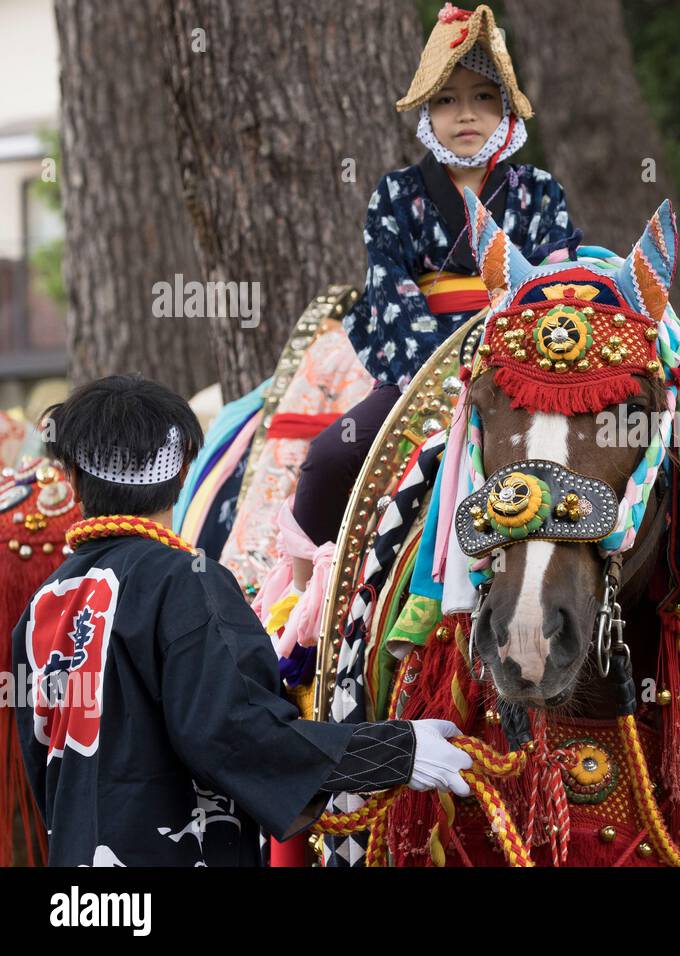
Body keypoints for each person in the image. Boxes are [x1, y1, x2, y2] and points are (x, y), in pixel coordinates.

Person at [13, 376, 474, 866]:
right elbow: (236, 733)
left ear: (72, 479)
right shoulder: (185, 581)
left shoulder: (42, 605)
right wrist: (396, 751)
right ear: (184, 470)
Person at [290, 3, 579, 559]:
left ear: (505, 110)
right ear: (427, 112)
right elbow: (390, 290)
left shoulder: (541, 191)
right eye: (446, 100)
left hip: (522, 364)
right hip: (421, 367)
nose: (464, 114)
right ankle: (311, 602)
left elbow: (555, 286)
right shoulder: (396, 194)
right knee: (330, 457)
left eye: (482, 98)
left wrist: (511, 363)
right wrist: (442, 376)